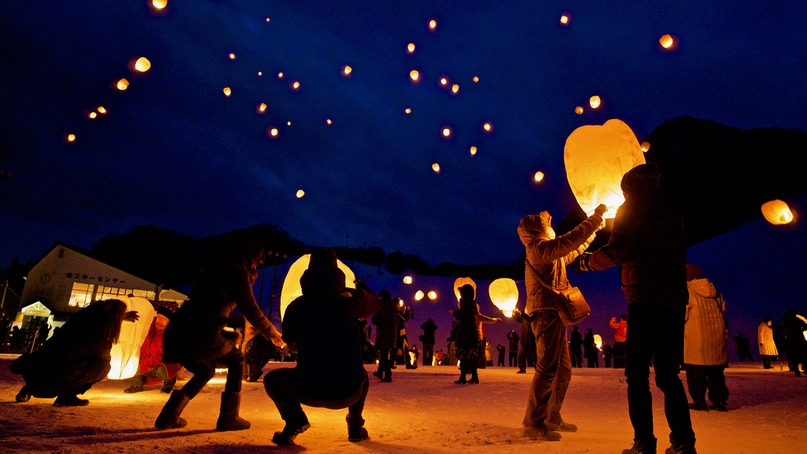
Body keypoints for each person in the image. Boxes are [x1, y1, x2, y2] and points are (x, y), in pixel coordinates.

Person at [577, 163, 697, 454]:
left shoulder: (632, 210)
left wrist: (587, 262)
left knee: (637, 374)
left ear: (629, 187)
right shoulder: (671, 208)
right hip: (672, 297)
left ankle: (644, 442)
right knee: (669, 375)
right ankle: (683, 441)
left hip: (643, 297)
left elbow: (618, 251)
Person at [155, 229, 284, 431]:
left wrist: (234, 325)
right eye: (258, 259)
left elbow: (213, 305)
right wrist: (273, 334)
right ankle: (229, 417)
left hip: (180, 330)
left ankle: (168, 416)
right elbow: (251, 309)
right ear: (249, 255)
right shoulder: (236, 273)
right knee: (237, 360)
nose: (258, 263)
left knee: (204, 370)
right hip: (201, 333)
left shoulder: (217, 270)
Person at [264, 249, 379, 445]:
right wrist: (360, 287)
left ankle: (294, 421)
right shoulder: (351, 300)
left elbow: (291, 342)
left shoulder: (296, 306)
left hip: (306, 388)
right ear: (337, 270)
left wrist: (310, 349)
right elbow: (374, 305)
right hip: (348, 391)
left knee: (272, 380)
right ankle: (355, 425)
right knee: (361, 373)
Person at [518, 203, 606, 441]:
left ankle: (551, 416)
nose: (551, 227)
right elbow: (568, 241)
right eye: (547, 225)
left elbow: (573, 249)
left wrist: (594, 232)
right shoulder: (537, 249)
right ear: (539, 231)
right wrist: (594, 219)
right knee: (547, 369)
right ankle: (533, 422)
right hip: (545, 313)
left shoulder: (548, 253)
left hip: (554, 313)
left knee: (563, 370)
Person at [12, 299, 139, 406]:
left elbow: (108, 314)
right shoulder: (99, 333)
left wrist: (125, 316)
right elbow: (103, 354)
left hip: (38, 367)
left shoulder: (88, 315)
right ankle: (67, 395)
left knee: (57, 363)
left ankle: (28, 389)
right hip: (58, 374)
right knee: (104, 366)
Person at [682, 264, 729, 412]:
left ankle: (699, 401)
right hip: (716, 338)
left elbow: (683, 315)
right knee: (716, 373)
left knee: (695, 374)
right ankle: (720, 401)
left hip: (697, 338)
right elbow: (723, 308)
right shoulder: (715, 292)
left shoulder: (687, 291)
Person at [124, 305, 183, 393]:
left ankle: (169, 383)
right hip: (145, 360)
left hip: (161, 364)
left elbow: (158, 355)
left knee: (162, 369)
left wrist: (144, 366)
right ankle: (137, 385)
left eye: (163, 318)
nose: (158, 321)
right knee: (132, 364)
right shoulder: (149, 325)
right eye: (158, 317)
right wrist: (126, 316)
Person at [450, 284, 500, 384]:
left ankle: (463, 376)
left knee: (464, 356)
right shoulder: (472, 305)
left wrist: (455, 312)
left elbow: (462, 317)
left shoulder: (467, 304)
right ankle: (473, 376)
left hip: (466, 334)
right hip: (472, 334)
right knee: (471, 356)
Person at [372, 290, 399, 382]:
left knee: (383, 355)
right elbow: (397, 322)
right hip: (391, 335)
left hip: (383, 334)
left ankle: (388, 374)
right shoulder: (393, 308)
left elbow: (375, 320)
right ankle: (380, 371)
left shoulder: (381, 307)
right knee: (384, 353)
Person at [780, 309, 807, 376]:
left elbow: (782, 327)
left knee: (793, 354)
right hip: (799, 338)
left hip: (791, 339)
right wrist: (801, 329)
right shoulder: (796, 320)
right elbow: (805, 326)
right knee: (803, 352)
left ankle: (795, 368)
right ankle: (804, 367)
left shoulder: (786, 320)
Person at [512, 308, 537, 373]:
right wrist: (513, 314)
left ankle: (538, 369)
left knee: (534, 356)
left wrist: (521, 312)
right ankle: (522, 368)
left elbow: (528, 318)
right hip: (524, 340)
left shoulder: (533, 317)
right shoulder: (524, 318)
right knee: (521, 355)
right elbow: (519, 319)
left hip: (531, 340)